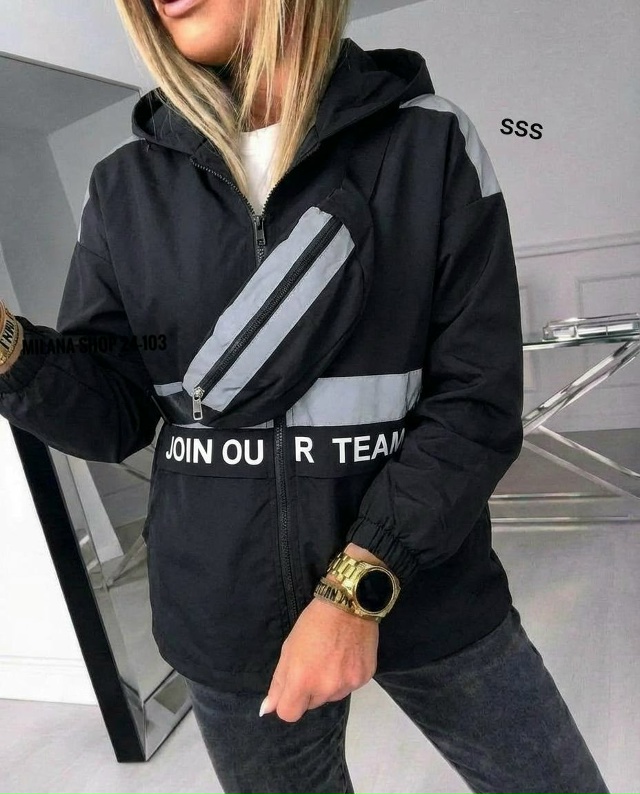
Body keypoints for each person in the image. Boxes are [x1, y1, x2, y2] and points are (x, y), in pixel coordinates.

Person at [0, 1, 612, 793]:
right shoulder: (121, 185)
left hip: (427, 586)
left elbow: (475, 401)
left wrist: (355, 592)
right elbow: (112, 416)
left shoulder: (428, 140)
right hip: (223, 615)